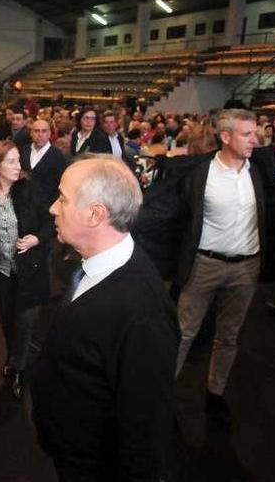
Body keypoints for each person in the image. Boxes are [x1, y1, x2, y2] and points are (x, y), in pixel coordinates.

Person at [31, 154, 179, 481]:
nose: (53, 208)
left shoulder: (143, 313)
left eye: (63, 199)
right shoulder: (87, 265)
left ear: (96, 214)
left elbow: (144, 429)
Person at [173, 109, 267, 424]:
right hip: (204, 265)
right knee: (184, 331)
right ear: (225, 137)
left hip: (246, 268)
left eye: (255, 133)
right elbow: (178, 214)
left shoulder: (259, 169)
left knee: (229, 335)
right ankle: (162, 388)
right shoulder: (201, 173)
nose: (255, 139)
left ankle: (216, 390)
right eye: (247, 134)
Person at [0, 140, 52, 400]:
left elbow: (50, 221)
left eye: (19, 160)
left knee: (26, 320)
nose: (19, 166)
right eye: (12, 162)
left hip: (29, 270)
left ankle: (18, 367)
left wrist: (36, 239)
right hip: (1, 271)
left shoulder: (29, 188)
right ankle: (14, 356)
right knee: (8, 319)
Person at [21, 119, 68, 212]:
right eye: (36, 131)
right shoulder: (24, 150)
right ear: (31, 133)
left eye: (44, 131)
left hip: (46, 209)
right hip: (24, 206)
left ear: (50, 133)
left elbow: (61, 184)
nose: (40, 134)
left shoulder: (58, 156)